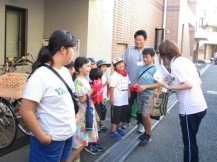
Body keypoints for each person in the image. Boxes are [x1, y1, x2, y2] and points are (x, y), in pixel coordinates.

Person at [19, 30, 77, 162]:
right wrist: (43, 138)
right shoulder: (40, 76)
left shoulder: (65, 71)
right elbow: (25, 110)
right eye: (72, 48)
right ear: (63, 50)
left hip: (67, 135)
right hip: (50, 140)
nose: (73, 52)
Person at [158, 40, 207, 162]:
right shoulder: (186, 61)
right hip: (200, 106)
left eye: (161, 54)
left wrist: (169, 87)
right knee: (191, 140)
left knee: (189, 143)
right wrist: (169, 80)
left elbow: (188, 84)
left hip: (189, 109)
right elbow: (198, 82)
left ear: (165, 54)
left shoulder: (175, 64)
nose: (161, 57)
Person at [69, 57, 99, 161]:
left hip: (85, 113)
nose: (90, 68)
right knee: (82, 142)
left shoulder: (84, 80)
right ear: (79, 68)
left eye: (90, 66)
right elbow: (82, 99)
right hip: (82, 115)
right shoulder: (78, 81)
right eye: (87, 66)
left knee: (79, 142)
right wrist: (94, 89)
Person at [121, 30, 148, 133]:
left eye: (140, 40)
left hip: (143, 85)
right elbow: (122, 63)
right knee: (128, 104)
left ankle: (140, 124)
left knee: (141, 106)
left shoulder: (149, 51)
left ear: (145, 40)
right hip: (130, 84)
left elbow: (155, 67)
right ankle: (126, 121)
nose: (138, 42)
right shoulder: (129, 50)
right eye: (136, 40)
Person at [135, 48, 159, 146]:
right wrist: (137, 86)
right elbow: (139, 80)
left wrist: (145, 87)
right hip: (140, 95)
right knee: (142, 115)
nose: (145, 59)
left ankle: (148, 136)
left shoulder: (155, 69)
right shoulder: (140, 68)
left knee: (146, 116)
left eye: (147, 57)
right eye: (143, 57)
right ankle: (145, 133)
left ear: (152, 57)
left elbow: (158, 84)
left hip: (150, 96)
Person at [108, 57, 131, 140]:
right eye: (118, 64)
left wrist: (129, 92)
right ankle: (112, 131)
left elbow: (128, 84)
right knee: (116, 116)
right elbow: (112, 88)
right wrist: (111, 99)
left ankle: (117, 128)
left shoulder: (125, 73)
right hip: (117, 100)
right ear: (115, 67)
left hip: (124, 99)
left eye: (121, 63)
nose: (120, 65)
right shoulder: (114, 76)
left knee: (121, 115)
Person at [97, 59, 111, 132]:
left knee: (103, 111)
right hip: (99, 97)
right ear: (99, 67)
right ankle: (97, 127)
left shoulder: (104, 76)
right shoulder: (97, 76)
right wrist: (105, 84)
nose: (105, 68)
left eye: (106, 67)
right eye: (103, 66)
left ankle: (101, 125)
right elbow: (96, 87)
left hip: (104, 97)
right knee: (99, 111)